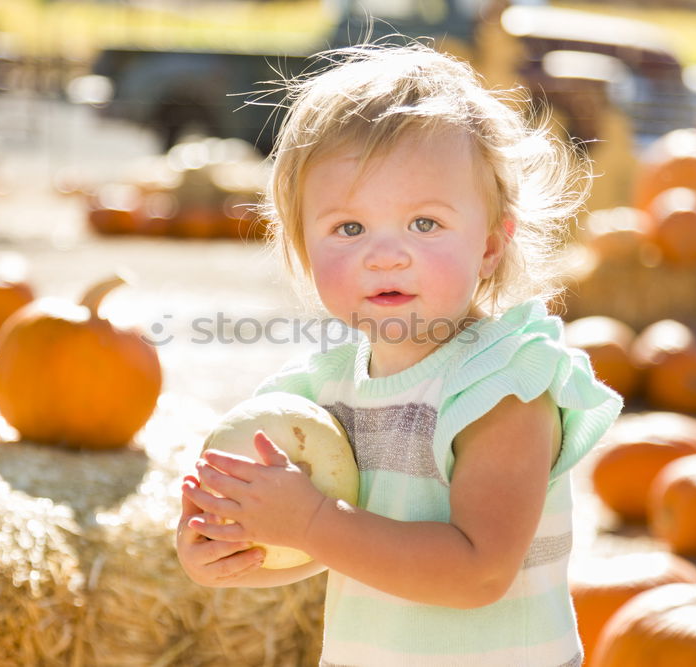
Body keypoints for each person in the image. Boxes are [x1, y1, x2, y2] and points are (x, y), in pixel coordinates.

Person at [176, 42, 622, 666]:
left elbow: (478, 573)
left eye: (425, 224)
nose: (385, 255)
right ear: (305, 250)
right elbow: (339, 546)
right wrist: (235, 548)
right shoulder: (322, 392)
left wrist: (308, 522)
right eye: (349, 229)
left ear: (491, 245)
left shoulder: (502, 385)